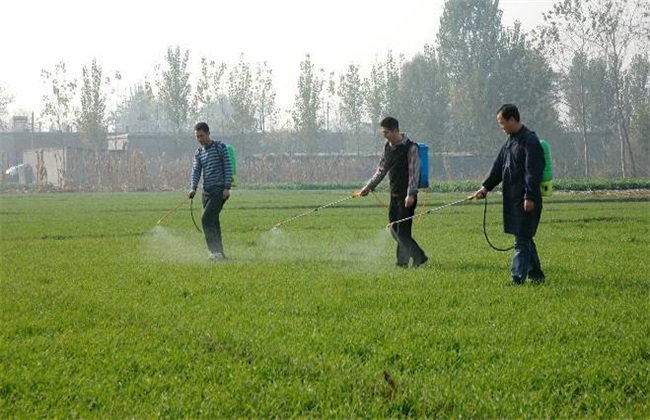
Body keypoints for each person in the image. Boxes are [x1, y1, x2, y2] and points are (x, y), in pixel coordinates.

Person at [473, 104, 546, 285]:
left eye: (502, 123)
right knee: (524, 237)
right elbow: (498, 167)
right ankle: (536, 275)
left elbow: (533, 172)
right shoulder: (510, 142)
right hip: (513, 200)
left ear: (512, 120)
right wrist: (485, 188)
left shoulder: (530, 141)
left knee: (521, 239)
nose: (501, 127)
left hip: (525, 199)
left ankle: (516, 278)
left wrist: (529, 196)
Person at [359, 117, 428, 268]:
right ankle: (419, 255)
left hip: (407, 197)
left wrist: (410, 194)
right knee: (394, 229)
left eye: (387, 132)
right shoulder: (387, 148)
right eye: (383, 132)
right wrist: (369, 187)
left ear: (396, 130)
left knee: (403, 232)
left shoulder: (411, 148)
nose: (385, 135)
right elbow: (381, 170)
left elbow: (414, 173)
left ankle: (403, 263)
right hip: (394, 195)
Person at [188, 122, 233, 260]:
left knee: (206, 219)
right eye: (197, 137)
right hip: (206, 192)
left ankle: (214, 252)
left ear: (208, 133)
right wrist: (193, 188)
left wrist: (227, 187)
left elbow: (227, 167)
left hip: (219, 191)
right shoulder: (199, 153)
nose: (200, 139)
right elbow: (196, 171)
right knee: (213, 221)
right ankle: (220, 253)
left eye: (201, 135)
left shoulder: (220, 148)